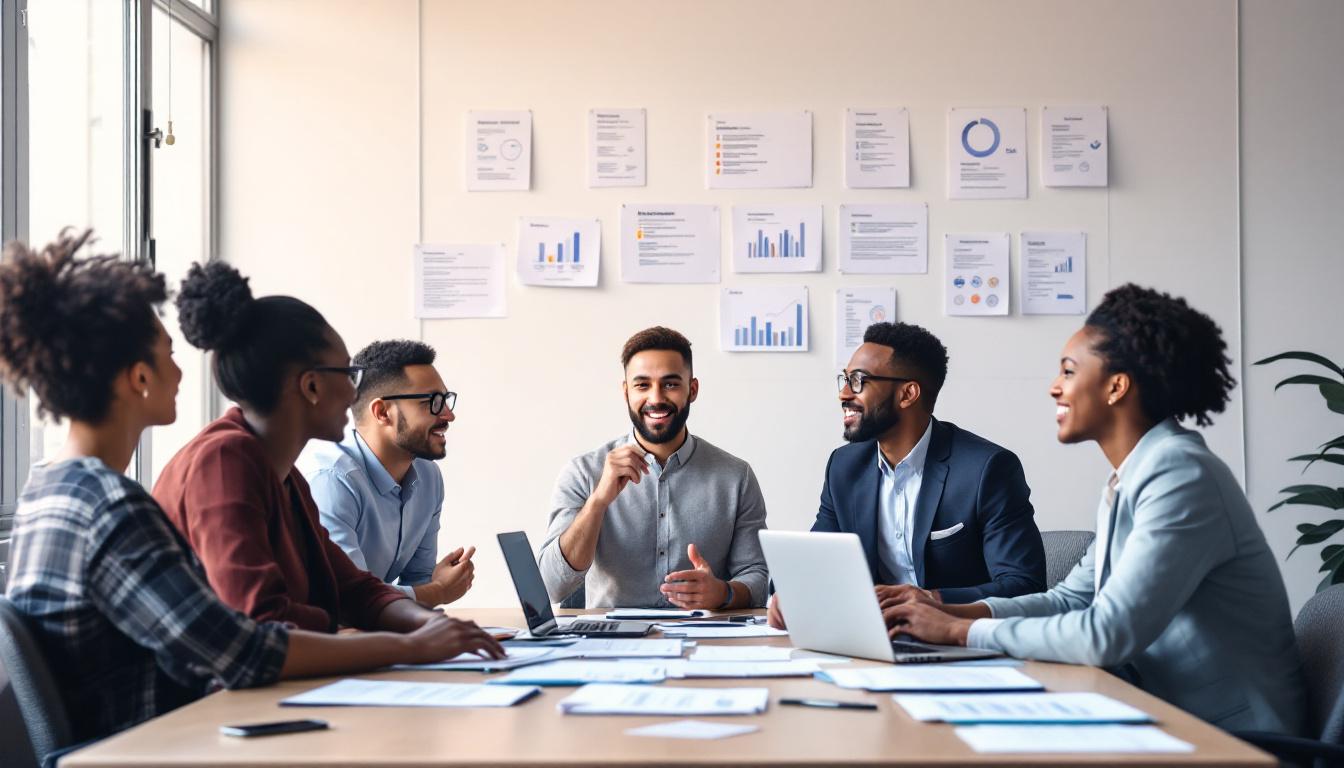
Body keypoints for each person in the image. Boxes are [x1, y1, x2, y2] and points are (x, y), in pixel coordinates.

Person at [0, 234, 501, 747]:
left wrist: (425, 631)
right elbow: (244, 649)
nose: (181, 371)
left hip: (171, 737)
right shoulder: (113, 505)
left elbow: (347, 587)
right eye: (169, 355)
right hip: (155, 748)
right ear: (139, 378)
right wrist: (412, 646)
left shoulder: (57, 487)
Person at [882, 284, 1306, 734]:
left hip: (1235, 740)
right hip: (1158, 713)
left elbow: (1106, 634)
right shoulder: (1134, 476)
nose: (1054, 387)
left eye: (1068, 371)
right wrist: (944, 610)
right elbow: (1071, 599)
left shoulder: (1181, 476)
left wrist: (956, 633)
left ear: (1116, 386)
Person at [153, 262, 469, 635]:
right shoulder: (224, 463)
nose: (355, 394)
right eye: (348, 376)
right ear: (311, 387)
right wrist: (410, 644)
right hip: (215, 693)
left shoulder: (288, 478)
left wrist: (437, 630)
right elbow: (263, 629)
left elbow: (352, 591)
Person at [769, 322, 1045, 628]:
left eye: (859, 381)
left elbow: (1024, 585)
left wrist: (932, 599)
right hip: (871, 641)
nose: (844, 394)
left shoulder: (986, 469)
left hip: (959, 641)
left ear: (908, 393)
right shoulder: (844, 467)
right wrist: (789, 591)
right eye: (844, 380)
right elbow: (815, 562)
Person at [538, 327, 768, 609]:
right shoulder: (583, 472)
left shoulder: (736, 477)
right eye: (642, 385)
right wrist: (598, 502)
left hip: (705, 643)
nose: (656, 398)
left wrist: (724, 593)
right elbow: (551, 586)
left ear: (692, 390)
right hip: (610, 646)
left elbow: (757, 579)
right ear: (626, 392)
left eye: (670, 384)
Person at [297, 339, 474, 607]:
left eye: (446, 400)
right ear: (382, 412)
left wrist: (434, 591)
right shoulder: (331, 480)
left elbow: (418, 583)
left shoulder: (428, 477)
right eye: (432, 402)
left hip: (375, 632)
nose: (448, 415)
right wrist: (438, 591)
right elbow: (346, 600)